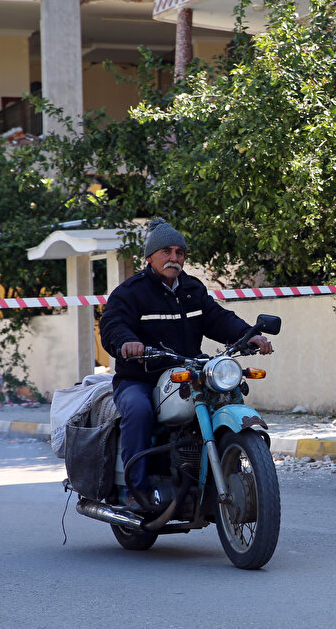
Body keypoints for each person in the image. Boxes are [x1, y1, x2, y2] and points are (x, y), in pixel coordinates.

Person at [100, 218, 272, 510]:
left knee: (225, 398)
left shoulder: (192, 289)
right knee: (139, 411)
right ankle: (136, 491)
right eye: (166, 251)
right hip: (142, 378)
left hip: (188, 373)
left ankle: (218, 474)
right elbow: (113, 325)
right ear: (150, 256)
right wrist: (127, 343)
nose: (174, 258)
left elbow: (217, 318)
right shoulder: (130, 292)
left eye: (179, 252)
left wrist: (249, 335)